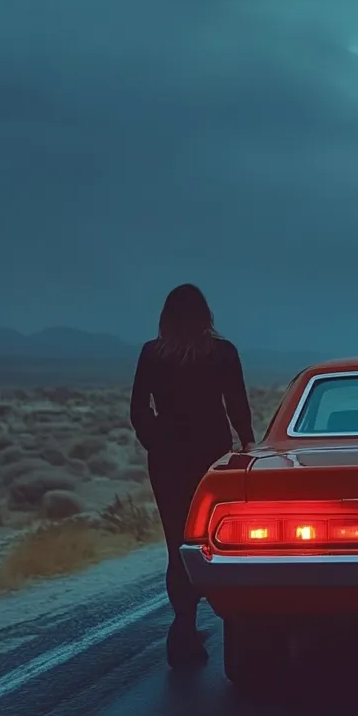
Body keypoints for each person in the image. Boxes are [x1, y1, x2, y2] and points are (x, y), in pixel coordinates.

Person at [129, 284, 255, 668]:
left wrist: (157, 442)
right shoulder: (223, 352)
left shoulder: (152, 354)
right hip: (211, 459)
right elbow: (237, 405)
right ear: (205, 315)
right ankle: (235, 625)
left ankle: (183, 626)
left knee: (176, 541)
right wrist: (248, 446)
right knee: (214, 541)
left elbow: (138, 410)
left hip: (167, 461)